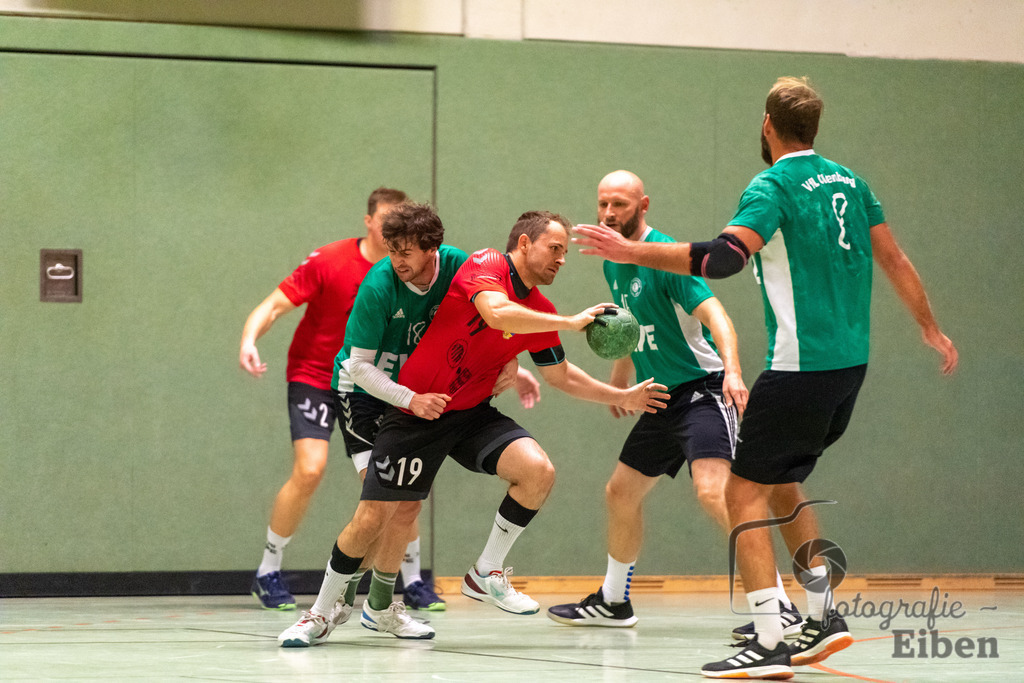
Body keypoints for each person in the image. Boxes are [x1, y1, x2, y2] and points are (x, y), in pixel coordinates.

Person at [573, 78, 958, 679]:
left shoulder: (773, 185)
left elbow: (724, 259)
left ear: (767, 126)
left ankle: (769, 638)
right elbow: (895, 259)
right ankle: (824, 615)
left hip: (798, 368)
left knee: (739, 492)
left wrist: (632, 253)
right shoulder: (852, 182)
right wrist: (930, 328)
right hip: (849, 367)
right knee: (782, 484)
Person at [277, 210, 671, 647]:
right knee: (378, 513)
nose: (562, 259)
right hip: (407, 406)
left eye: (564, 252)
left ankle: (485, 573)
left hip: (467, 410)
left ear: (431, 251)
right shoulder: (483, 264)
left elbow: (560, 376)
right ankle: (320, 611)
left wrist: (620, 396)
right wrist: (568, 324)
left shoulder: (534, 307)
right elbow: (496, 313)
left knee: (537, 471)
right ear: (523, 243)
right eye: (554, 248)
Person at [548, 171, 799, 636]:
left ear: (643, 205)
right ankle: (613, 601)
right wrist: (623, 374)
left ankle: (777, 602)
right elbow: (631, 320)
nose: (608, 214)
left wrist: (736, 371)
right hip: (659, 396)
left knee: (713, 491)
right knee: (620, 492)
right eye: (602, 204)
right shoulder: (612, 262)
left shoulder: (665, 257)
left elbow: (717, 316)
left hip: (703, 391)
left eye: (619, 205)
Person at [324, 202, 539, 638]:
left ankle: (379, 605)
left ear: (431, 248)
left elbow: (490, 319)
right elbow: (358, 368)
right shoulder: (378, 285)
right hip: (365, 393)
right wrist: (410, 398)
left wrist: (514, 362)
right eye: (391, 250)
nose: (397, 260)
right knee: (381, 508)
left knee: (406, 506)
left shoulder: (461, 267)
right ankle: (339, 595)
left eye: (406, 251)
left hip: (421, 391)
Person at [239, 187, 413, 610]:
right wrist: (249, 339)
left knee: (393, 480)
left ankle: (409, 577)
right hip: (316, 376)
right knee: (310, 469)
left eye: (400, 222)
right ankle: (268, 570)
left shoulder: (410, 270)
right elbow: (275, 305)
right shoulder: (330, 261)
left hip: (372, 383)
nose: (393, 229)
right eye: (386, 219)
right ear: (369, 221)